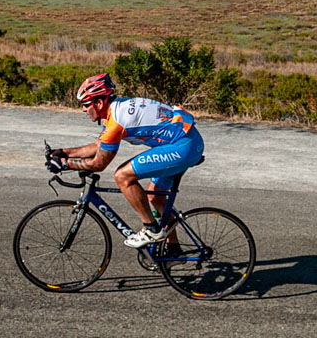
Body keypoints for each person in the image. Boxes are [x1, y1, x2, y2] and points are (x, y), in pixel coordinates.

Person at [48, 72, 203, 248]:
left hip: (183, 146)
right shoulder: (115, 109)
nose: (83, 109)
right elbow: (99, 146)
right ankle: (174, 249)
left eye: (85, 104)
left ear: (99, 103)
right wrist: (64, 152)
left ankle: (151, 229)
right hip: (187, 141)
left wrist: (64, 164)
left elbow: (99, 163)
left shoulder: (117, 122)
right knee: (155, 196)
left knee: (122, 176)